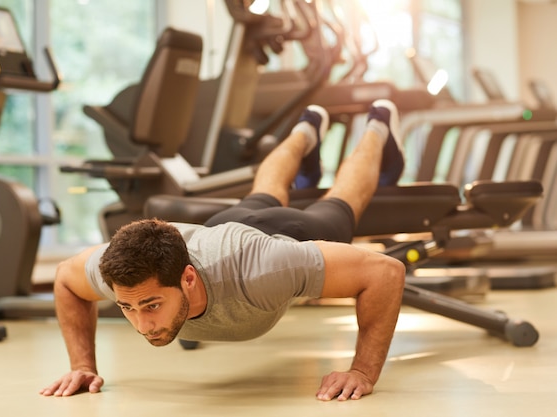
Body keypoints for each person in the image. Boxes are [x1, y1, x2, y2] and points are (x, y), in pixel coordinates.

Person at [40, 100, 407, 401]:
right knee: (261, 195)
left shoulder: (266, 270)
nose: (142, 324)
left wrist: (361, 371)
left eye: (151, 305)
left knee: (342, 202)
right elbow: (66, 280)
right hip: (225, 225)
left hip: (288, 234)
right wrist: (83, 365)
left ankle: (379, 122)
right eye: (127, 308)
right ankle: (307, 127)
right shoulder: (122, 274)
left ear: (187, 277)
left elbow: (385, 272)